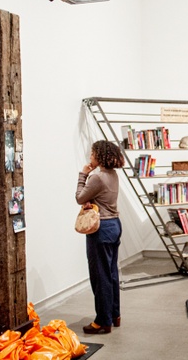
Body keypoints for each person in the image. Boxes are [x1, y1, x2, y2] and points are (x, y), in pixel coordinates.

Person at [76, 140, 125, 334]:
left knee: (100, 276)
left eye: (93, 153)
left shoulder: (96, 178)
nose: (90, 156)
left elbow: (79, 197)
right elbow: (99, 198)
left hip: (101, 228)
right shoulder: (113, 175)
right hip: (114, 225)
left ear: (100, 155)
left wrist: (83, 175)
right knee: (111, 273)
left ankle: (102, 321)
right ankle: (114, 315)